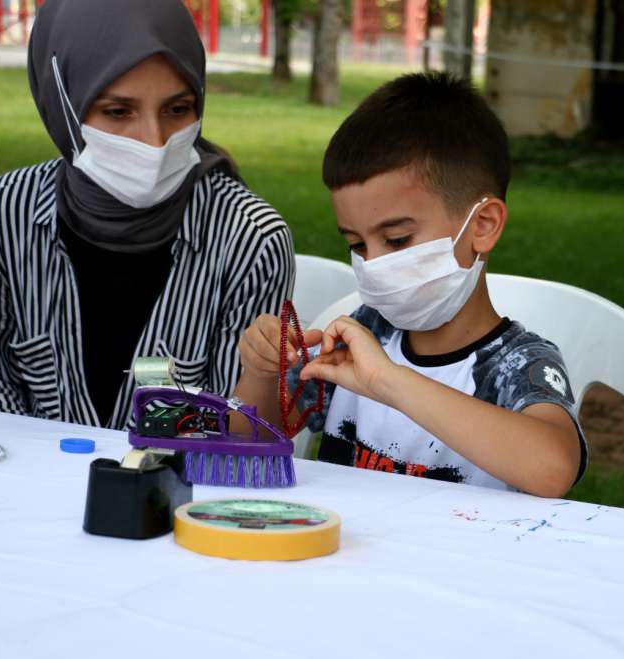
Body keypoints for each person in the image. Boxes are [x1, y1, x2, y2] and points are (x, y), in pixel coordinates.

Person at [234, 72, 586, 498]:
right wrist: (260, 372)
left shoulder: (515, 364)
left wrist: (388, 381)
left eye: (398, 239)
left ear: (483, 225)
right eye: (357, 244)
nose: (375, 263)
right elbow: (244, 445)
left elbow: (552, 469)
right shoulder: (363, 333)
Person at [0, 0, 293, 429]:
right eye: (118, 112)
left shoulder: (249, 238)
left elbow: (237, 422)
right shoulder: (3, 214)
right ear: (63, 104)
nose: (153, 140)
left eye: (177, 109)